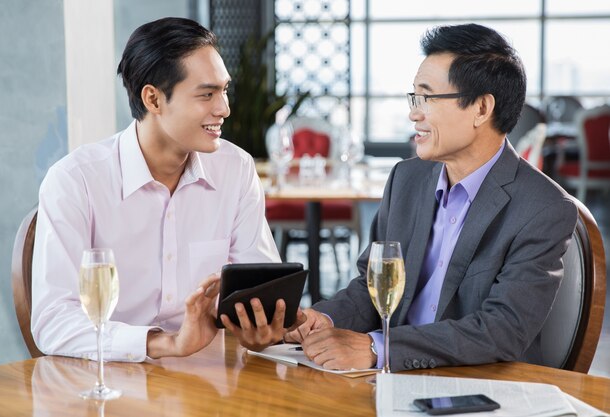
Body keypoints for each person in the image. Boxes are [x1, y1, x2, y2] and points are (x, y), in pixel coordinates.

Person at [285, 23, 578, 371]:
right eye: (414, 97)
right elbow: (371, 286)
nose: (414, 113)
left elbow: (502, 331)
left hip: (479, 386)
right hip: (388, 381)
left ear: (482, 109)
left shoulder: (543, 208)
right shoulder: (406, 178)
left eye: (428, 97)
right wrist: (324, 319)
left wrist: (378, 349)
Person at [32, 17, 292, 361]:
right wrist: (165, 344)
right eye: (207, 94)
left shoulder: (236, 169)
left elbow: (262, 294)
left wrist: (261, 327)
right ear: (153, 99)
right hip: (108, 381)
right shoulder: (75, 181)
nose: (224, 109)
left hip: (210, 385)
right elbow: (53, 321)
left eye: (224, 90)